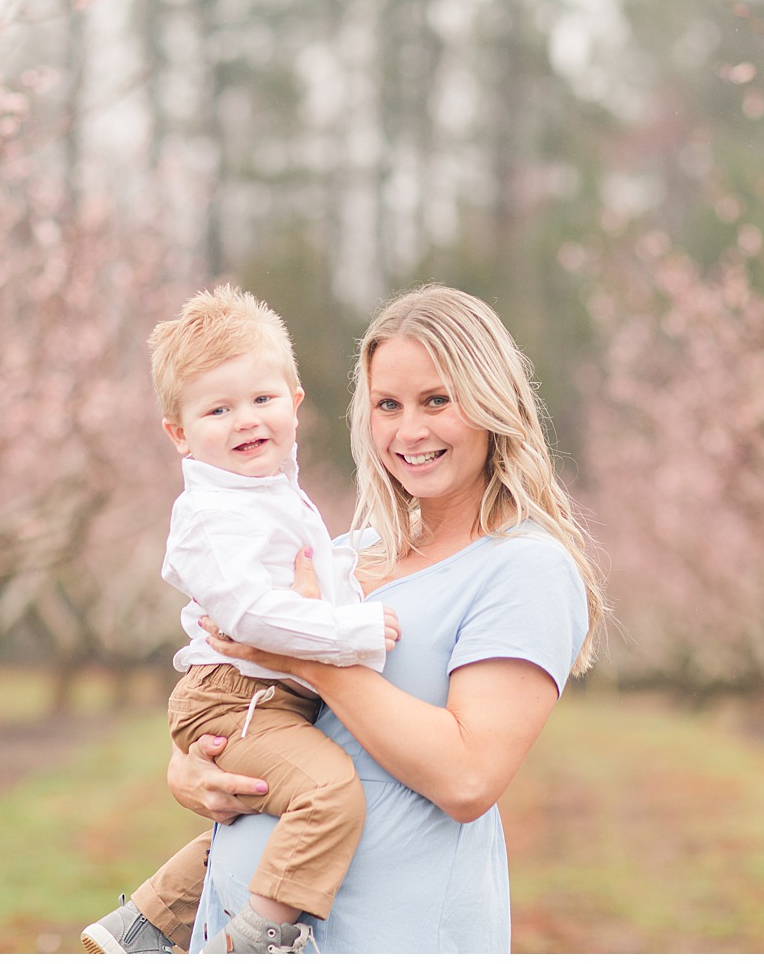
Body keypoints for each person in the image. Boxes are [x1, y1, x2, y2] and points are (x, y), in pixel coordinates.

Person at [118, 283, 608, 953]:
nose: (410, 430)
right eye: (388, 404)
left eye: (437, 400)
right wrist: (188, 767)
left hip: (386, 933)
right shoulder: (346, 555)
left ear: (493, 402)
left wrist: (301, 653)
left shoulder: (523, 567)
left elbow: (468, 777)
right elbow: (252, 699)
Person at [81, 285, 401, 955]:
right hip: (235, 695)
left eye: (261, 399)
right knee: (327, 794)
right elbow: (249, 614)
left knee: (270, 810)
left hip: (259, 694)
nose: (246, 420)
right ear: (179, 434)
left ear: (295, 401)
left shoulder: (267, 492)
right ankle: (258, 938)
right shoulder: (211, 513)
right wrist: (354, 631)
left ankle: (141, 926)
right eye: (217, 409)